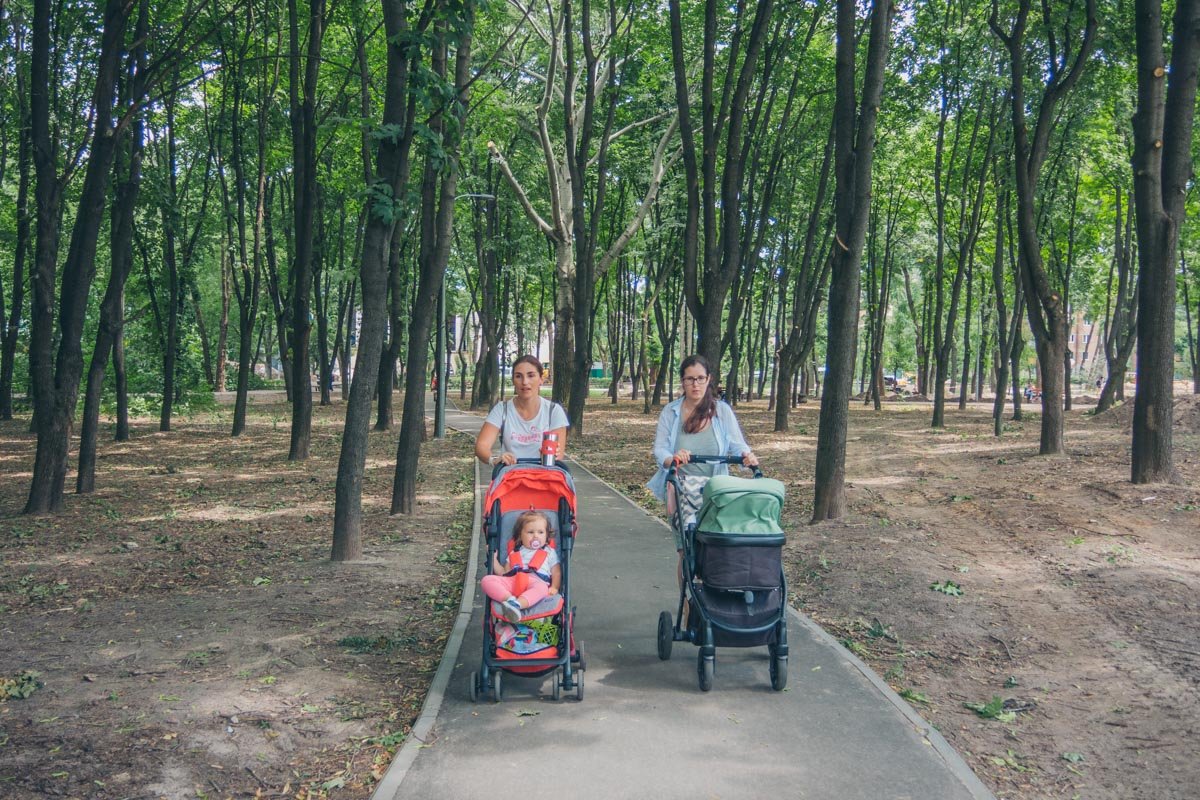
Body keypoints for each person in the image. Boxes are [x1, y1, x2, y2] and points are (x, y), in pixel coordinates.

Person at [648, 354, 759, 582]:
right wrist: (673, 459)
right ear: (682, 382)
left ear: (709, 379)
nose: (695, 384)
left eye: (700, 378)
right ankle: (689, 606)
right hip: (681, 491)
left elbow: (737, 443)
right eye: (689, 379)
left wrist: (746, 455)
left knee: (716, 547)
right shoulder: (671, 413)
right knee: (687, 551)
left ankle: (712, 598)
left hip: (716, 491)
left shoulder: (721, 411)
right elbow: (660, 450)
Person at [475, 354, 569, 467]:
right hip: (511, 478)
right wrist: (494, 459)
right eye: (518, 376)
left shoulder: (553, 411)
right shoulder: (502, 409)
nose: (525, 382)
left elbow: (558, 455)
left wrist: (554, 454)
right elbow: (481, 446)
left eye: (531, 375)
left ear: (541, 379)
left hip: (544, 478)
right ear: (513, 381)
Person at [480, 510, 562, 623]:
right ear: (520, 535)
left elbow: (556, 572)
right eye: (530, 532)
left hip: (536, 581)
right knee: (487, 580)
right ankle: (509, 600)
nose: (536, 536)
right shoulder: (515, 553)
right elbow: (504, 573)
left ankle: (517, 605)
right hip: (514, 581)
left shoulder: (549, 552)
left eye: (541, 532)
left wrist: (554, 587)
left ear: (547, 535)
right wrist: (493, 559)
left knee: (542, 589)